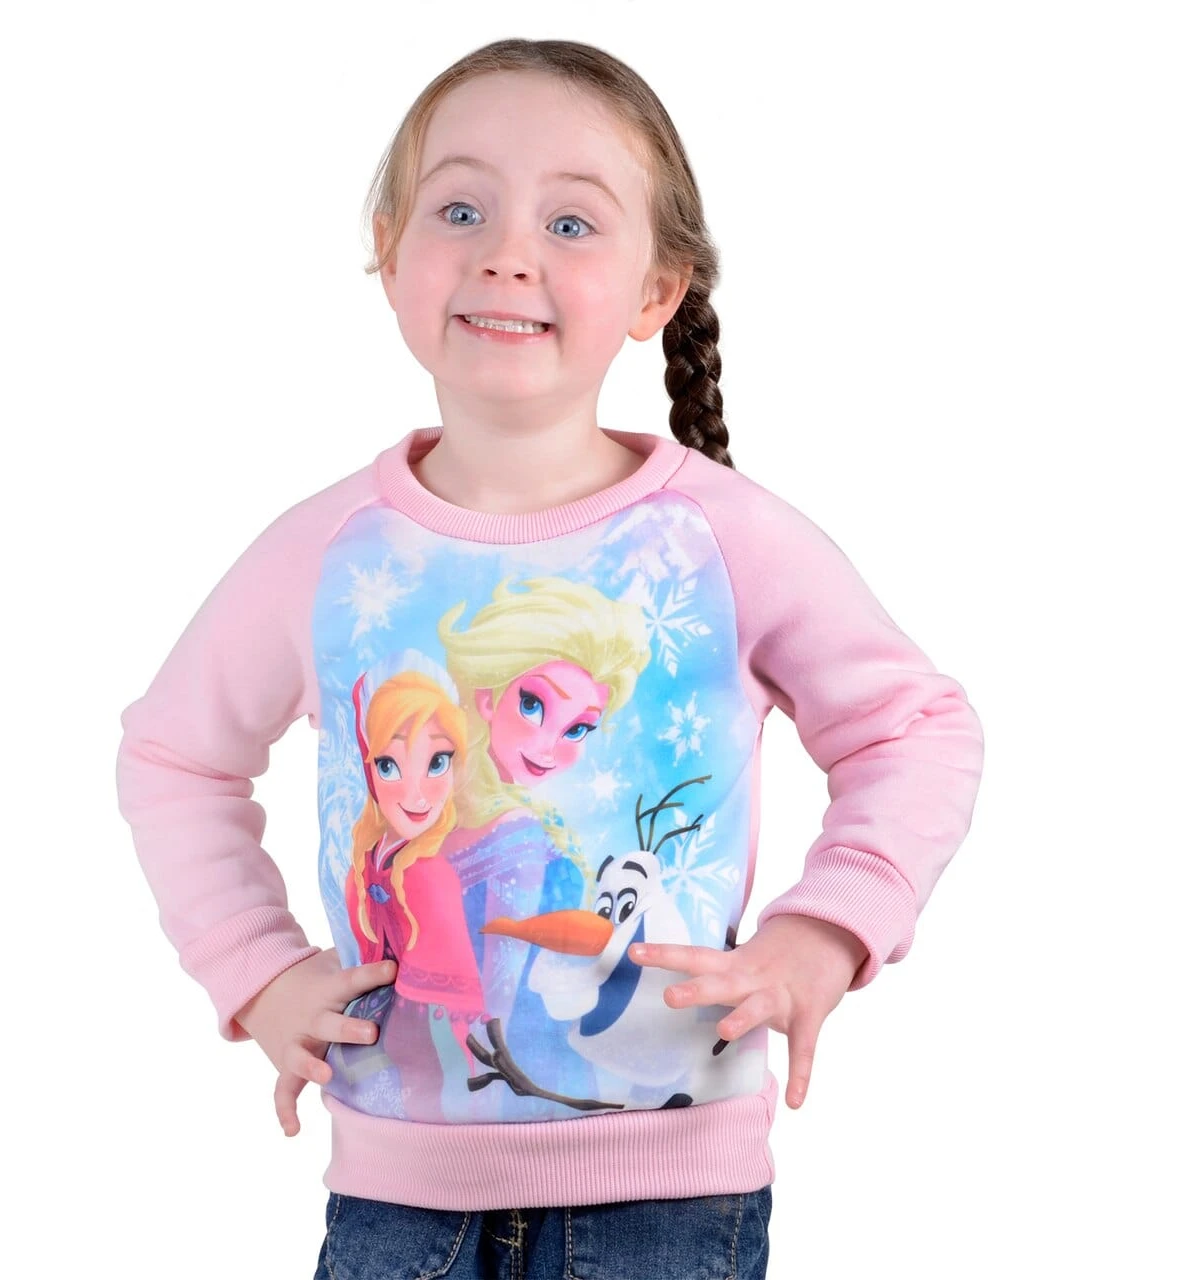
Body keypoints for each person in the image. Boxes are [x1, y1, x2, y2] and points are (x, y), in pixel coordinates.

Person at [114, 36, 985, 1280]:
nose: (506, 252)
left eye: (570, 222)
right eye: (459, 209)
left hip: (670, 1202)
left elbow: (915, 728)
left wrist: (824, 930)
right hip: (398, 1198)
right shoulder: (328, 553)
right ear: (389, 253)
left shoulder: (722, 539)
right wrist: (257, 973)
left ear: (655, 289)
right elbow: (173, 756)